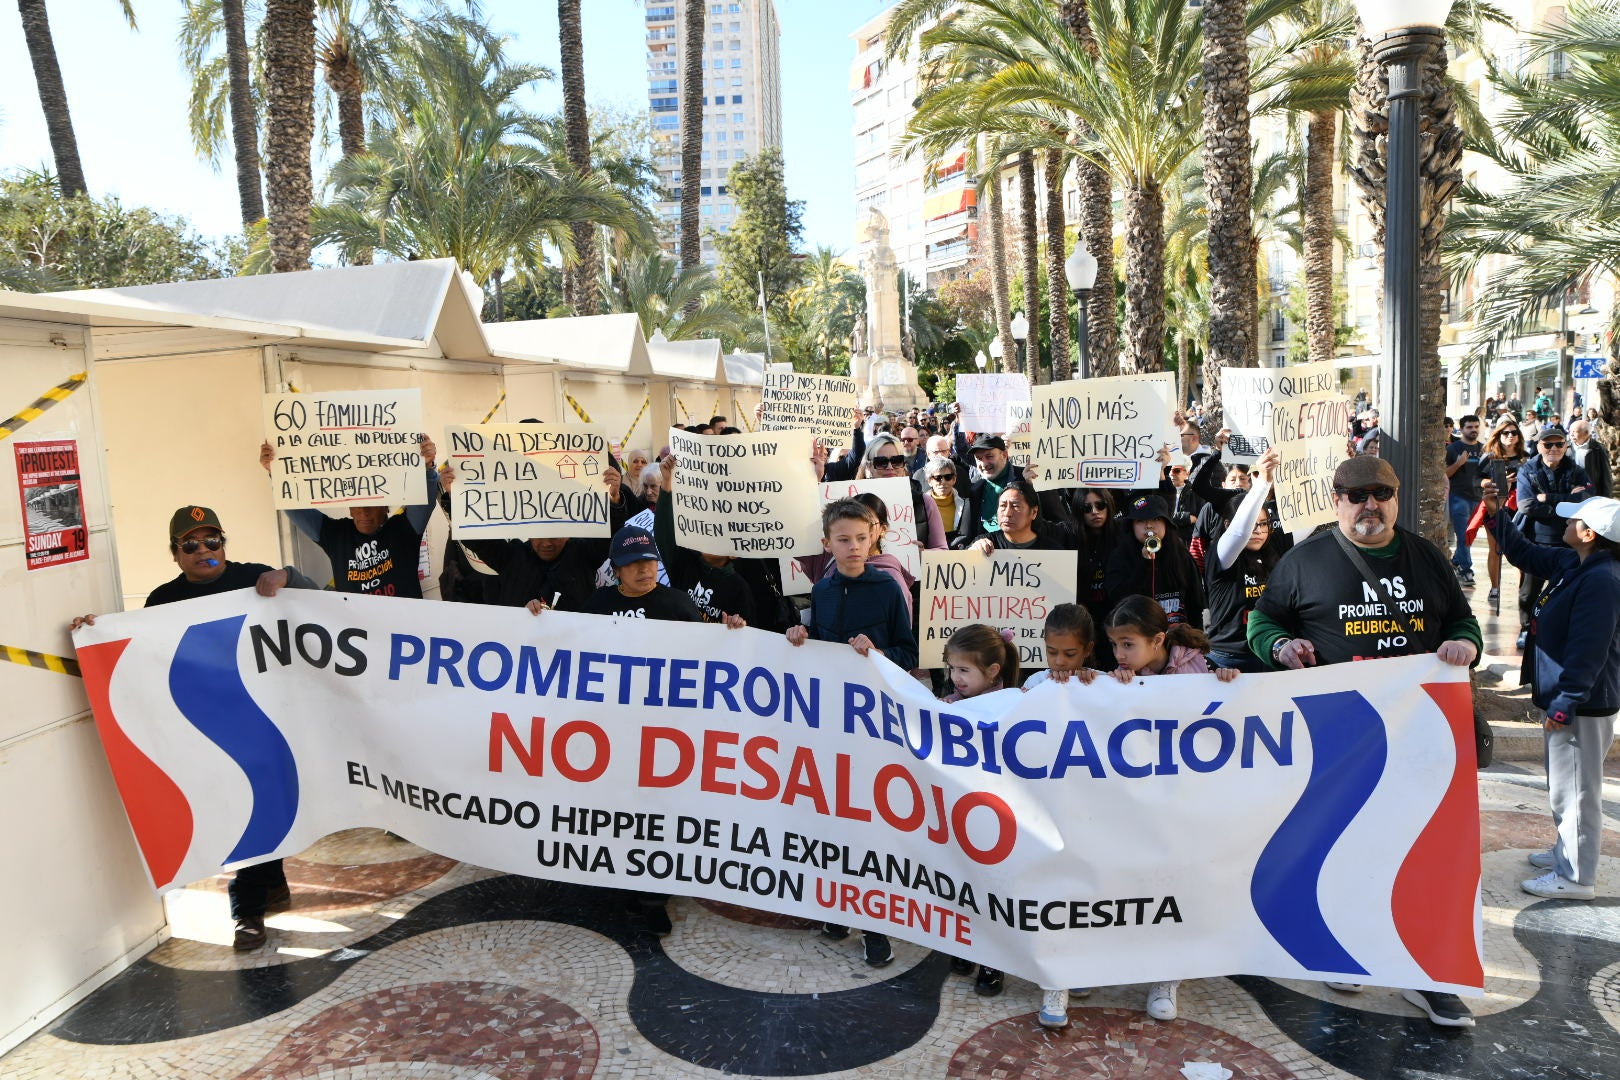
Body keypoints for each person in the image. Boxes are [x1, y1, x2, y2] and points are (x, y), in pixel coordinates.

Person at [1246, 454, 1481, 1028]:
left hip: (1423, 738)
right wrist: (1280, 648)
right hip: (1339, 744)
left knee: (1430, 854)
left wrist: (1464, 645)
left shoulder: (1426, 556)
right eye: (1356, 495)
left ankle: (1430, 978)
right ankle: (1346, 952)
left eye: (1380, 493)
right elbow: (1262, 624)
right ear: (1336, 501)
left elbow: (1463, 621)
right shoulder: (1304, 562)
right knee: (1344, 850)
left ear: (1396, 498)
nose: (1369, 504)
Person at [72, 506, 319, 951]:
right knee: (236, 806)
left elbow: (320, 603)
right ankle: (259, 897)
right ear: (175, 554)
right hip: (204, 722)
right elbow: (140, 653)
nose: (204, 551)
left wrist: (289, 575)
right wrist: (96, 632)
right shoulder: (162, 601)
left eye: (212, 541)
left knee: (267, 805)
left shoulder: (254, 577)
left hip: (265, 717)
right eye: (191, 545)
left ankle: (256, 899)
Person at [786, 499, 918, 967]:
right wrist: (800, 641)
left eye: (861, 538)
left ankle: (876, 926)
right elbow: (818, 648)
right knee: (831, 821)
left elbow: (909, 652)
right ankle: (838, 908)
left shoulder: (887, 587)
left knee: (868, 827)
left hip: (874, 728)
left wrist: (878, 651)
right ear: (827, 544)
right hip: (827, 726)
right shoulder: (820, 591)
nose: (854, 547)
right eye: (843, 539)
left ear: (875, 536)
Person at [1480, 490, 1620, 900]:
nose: (1566, 523)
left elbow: (1588, 648)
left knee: (1575, 790)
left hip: (1582, 704)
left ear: (1590, 533)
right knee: (1564, 786)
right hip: (1571, 698)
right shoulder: (1573, 562)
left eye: (1575, 519)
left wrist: (1564, 703)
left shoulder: (1601, 581)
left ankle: (1576, 877)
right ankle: (1566, 853)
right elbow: (1524, 553)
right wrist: (1496, 518)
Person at [1103, 595, 1237, 1023]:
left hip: (1186, 805)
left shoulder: (1201, 668)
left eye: (1128, 645)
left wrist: (1232, 682)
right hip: (1136, 806)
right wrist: (1102, 687)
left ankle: (1166, 977)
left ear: (1158, 640)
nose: (1120, 654)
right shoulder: (1119, 677)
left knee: (1176, 887)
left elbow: (1231, 713)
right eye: (1115, 645)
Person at [938, 624, 1021, 998]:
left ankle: (994, 960)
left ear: (992, 671)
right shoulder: (950, 702)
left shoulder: (1016, 704)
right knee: (961, 881)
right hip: (959, 813)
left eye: (964, 670)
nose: (956, 678)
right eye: (952, 669)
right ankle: (966, 944)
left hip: (997, 817)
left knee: (994, 889)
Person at [260, 438, 441, 597]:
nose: (363, 511)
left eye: (371, 504)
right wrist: (276, 473)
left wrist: (427, 467)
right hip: (357, 633)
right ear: (349, 507)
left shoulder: (404, 529)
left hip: (402, 630)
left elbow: (424, 500)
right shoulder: (336, 535)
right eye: (357, 503)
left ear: (386, 507)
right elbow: (296, 510)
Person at [652, 456, 757, 624]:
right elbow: (664, 533)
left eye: (718, 534)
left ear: (734, 554)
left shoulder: (739, 588)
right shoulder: (686, 564)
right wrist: (667, 483)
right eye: (709, 529)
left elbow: (748, 637)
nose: (709, 536)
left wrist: (738, 625)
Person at [1206, 448, 1284, 672]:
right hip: (1229, 660)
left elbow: (1310, 514)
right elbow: (1241, 533)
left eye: (1263, 524)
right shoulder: (1221, 554)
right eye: (1252, 524)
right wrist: (1262, 483)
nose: (1257, 531)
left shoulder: (1274, 551)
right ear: (1227, 525)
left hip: (1269, 653)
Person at [1516, 424, 1592, 650]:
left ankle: (1562, 629)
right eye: (1548, 444)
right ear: (1539, 446)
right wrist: (1566, 502)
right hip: (1535, 542)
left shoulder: (1577, 470)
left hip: (1569, 542)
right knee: (1529, 592)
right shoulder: (1527, 470)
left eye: (1559, 444)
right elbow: (1527, 505)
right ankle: (1525, 628)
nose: (1554, 448)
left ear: (1566, 445)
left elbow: (1585, 500)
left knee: (1567, 590)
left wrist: (1547, 497)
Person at [1105, 494, 1204, 629]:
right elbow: (1117, 599)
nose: (1149, 525)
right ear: (1132, 526)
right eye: (1141, 520)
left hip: (1177, 640)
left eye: (1156, 519)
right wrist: (1144, 566)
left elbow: (1196, 603)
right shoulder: (1120, 557)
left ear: (1166, 523)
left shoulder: (1181, 556)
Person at [858, 433, 947, 553]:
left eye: (896, 461)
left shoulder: (925, 502)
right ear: (869, 467)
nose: (890, 467)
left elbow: (942, 549)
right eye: (881, 462)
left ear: (903, 464)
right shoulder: (855, 504)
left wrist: (924, 553)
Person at [1480, 420, 1530, 605]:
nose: (1510, 436)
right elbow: (1477, 480)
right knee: (1495, 549)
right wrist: (1493, 482)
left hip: (1520, 508)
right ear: (1499, 435)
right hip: (1495, 506)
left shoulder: (1526, 458)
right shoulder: (1490, 457)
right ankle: (1495, 588)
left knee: (1520, 547)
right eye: (1506, 432)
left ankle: (1521, 589)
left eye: (1514, 432)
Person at [966, 480, 1076, 554]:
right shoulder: (985, 544)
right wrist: (971, 553)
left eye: (1016, 506)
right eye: (1003, 506)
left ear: (1034, 512)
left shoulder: (1052, 551)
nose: (1007, 513)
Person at [1445, 414, 1487, 586]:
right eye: (1469, 427)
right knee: (1463, 535)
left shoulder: (1484, 448)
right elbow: (1445, 474)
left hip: (1478, 498)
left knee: (1470, 535)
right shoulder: (1453, 449)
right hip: (1459, 497)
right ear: (1461, 429)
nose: (1473, 430)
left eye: (1476, 427)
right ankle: (1466, 569)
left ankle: (1455, 561)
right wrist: (1459, 463)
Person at [923, 456, 966, 543]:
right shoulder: (921, 506)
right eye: (938, 478)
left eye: (948, 477)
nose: (943, 482)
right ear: (929, 481)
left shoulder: (965, 505)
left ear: (954, 479)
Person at [1569, 419, 1612, 498]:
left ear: (1586, 433)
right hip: (1571, 492)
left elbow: (1606, 474)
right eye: (1570, 431)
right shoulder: (1565, 448)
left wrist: (1606, 497)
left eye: (1574, 432)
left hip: (1592, 492)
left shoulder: (1598, 449)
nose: (1571, 434)